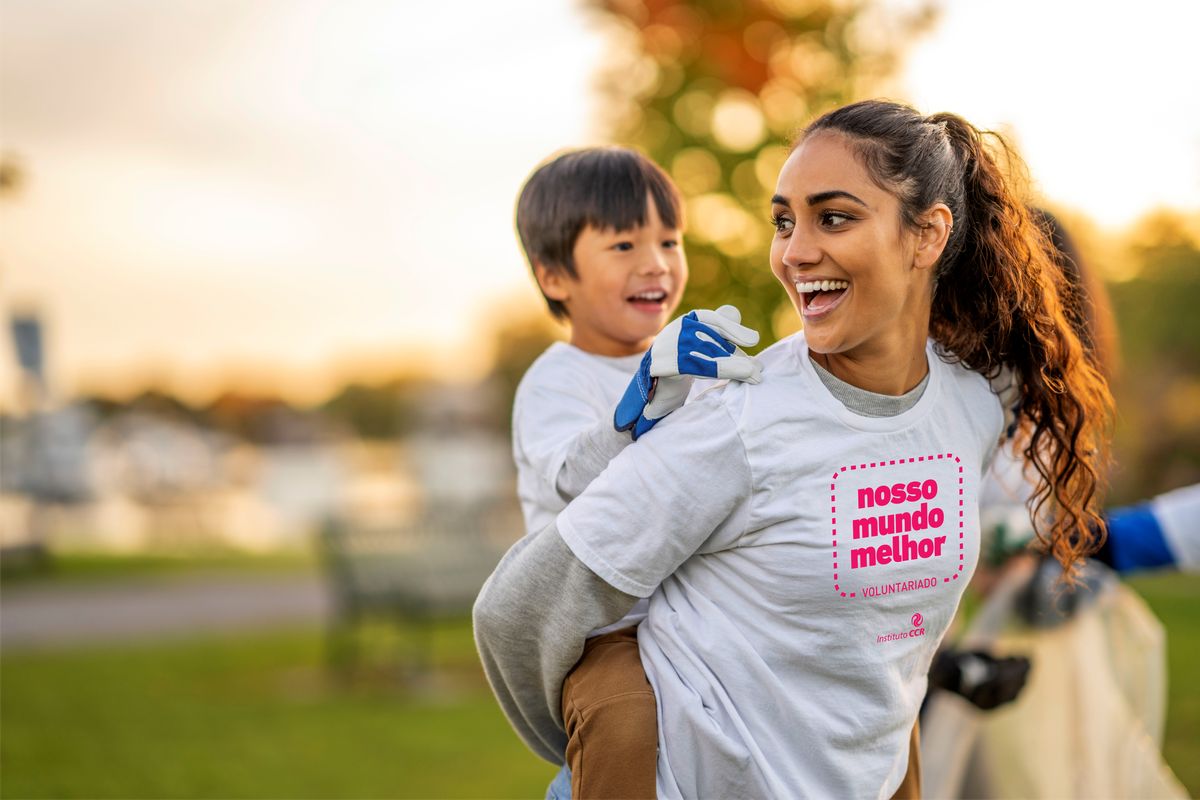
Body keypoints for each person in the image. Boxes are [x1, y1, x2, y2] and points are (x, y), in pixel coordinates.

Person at [474, 100, 1113, 797]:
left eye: (833, 217)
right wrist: (589, 740)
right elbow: (515, 610)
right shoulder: (737, 421)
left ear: (928, 234)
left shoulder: (974, 399)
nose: (794, 251)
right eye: (784, 222)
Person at [504, 146, 762, 799]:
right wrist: (639, 405)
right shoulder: (554, 381)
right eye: (623, 245)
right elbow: (569, 476)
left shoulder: (688, 363)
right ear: (555, 276)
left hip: (696, 605)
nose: (655, 262)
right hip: (602, 623)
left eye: (669, 241)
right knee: (619, 719)